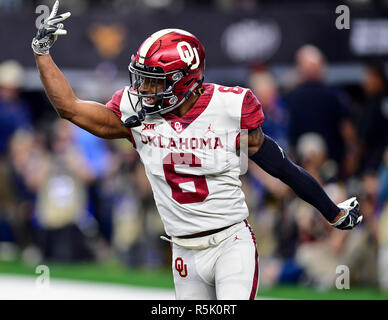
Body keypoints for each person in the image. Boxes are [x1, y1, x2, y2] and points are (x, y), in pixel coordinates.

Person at [31, 1, 363, 299]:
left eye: (155, 81)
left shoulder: (229, 107)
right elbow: (70, 108)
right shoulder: (135, 113)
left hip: (230, 244)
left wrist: (331, 210)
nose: (144, 90)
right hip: (183, 250)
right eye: (142, 79)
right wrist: (42, 52)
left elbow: (281, 166)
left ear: (186, 79)